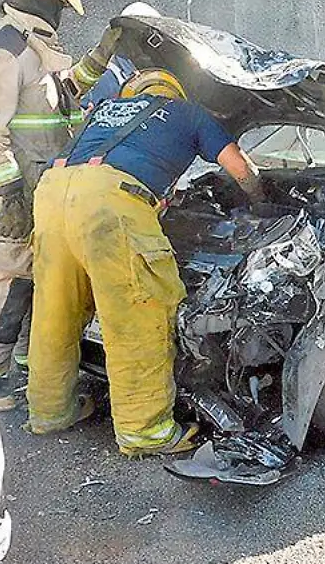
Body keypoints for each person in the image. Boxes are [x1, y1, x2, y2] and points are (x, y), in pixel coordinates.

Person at [25, 69, 265, 457]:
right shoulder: (187, 113)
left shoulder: (106, 109)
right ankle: (145, 431)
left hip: (53, 196)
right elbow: (239, 168)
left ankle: (49, 412)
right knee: (138, 315)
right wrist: (259, 197)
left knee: (55, 312)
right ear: (174, 91)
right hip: (109, 203)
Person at [0, 0, 122, 411]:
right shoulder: (4, 50)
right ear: (44, 2)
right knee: (11, 276)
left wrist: (103, 54)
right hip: (17, 190)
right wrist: (11, 195)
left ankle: (34, 369)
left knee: (39, 277)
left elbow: (66, 94)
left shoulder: (33, 49)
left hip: (42, 187)